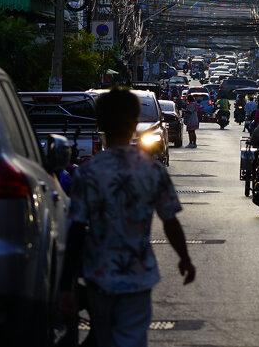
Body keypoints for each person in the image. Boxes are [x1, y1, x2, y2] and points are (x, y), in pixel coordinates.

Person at [59, 87, 195, 347]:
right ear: (135, 124)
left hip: (99, 276)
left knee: (104, 336)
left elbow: (76, 229)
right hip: (138, 276)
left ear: (100, 125)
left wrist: (66, 286)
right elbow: (170, 221)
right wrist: (185, 259)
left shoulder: (88, 173)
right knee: (131, 338)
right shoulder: (152, 171)